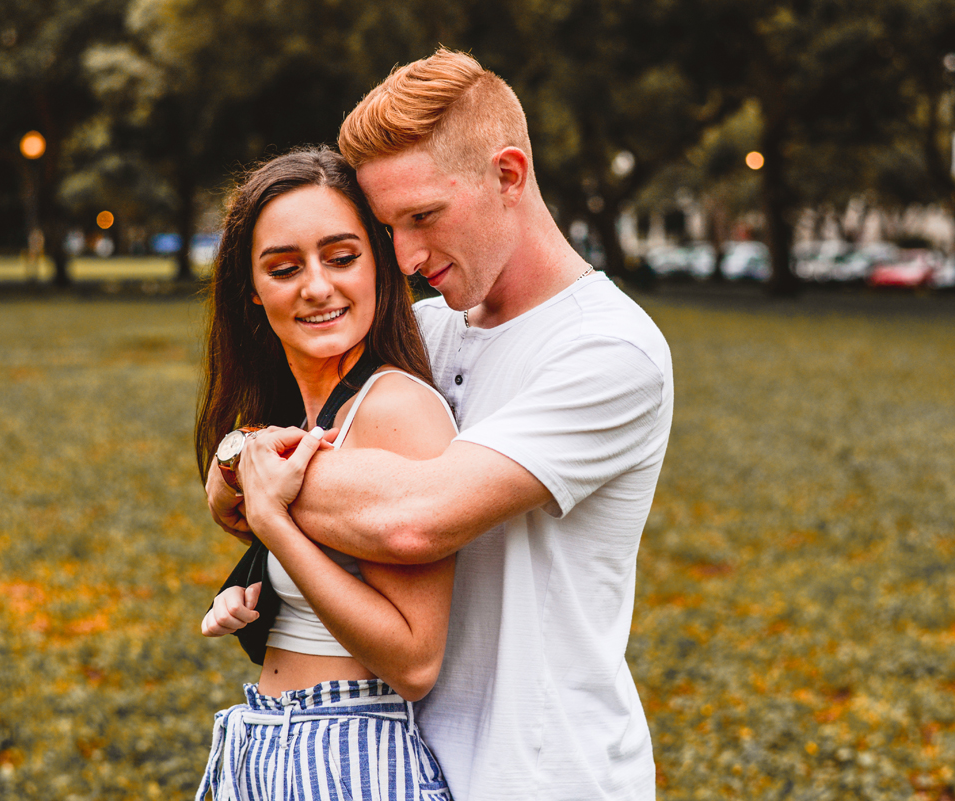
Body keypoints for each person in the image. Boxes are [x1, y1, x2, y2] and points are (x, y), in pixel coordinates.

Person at [207, 49, 674, 801]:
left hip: (545, 774)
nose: (408, 256)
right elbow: (274, 476)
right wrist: (238, 454)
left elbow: (413, 522)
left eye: (423, 216)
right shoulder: (430, 328)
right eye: (388, 226)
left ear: (508, 175)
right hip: (403, 762)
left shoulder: (609, 350)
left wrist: (248, 467)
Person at [193, 146, 458, 801]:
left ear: (378, 265)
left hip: (348, 754)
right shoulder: (299, 415)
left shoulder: (396, 408)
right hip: (266, 738)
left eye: (341, 256)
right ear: (252, 291)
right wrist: (254, 593)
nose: (316, 286)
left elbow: (415, 658)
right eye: (284, 267)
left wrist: (272, 525)